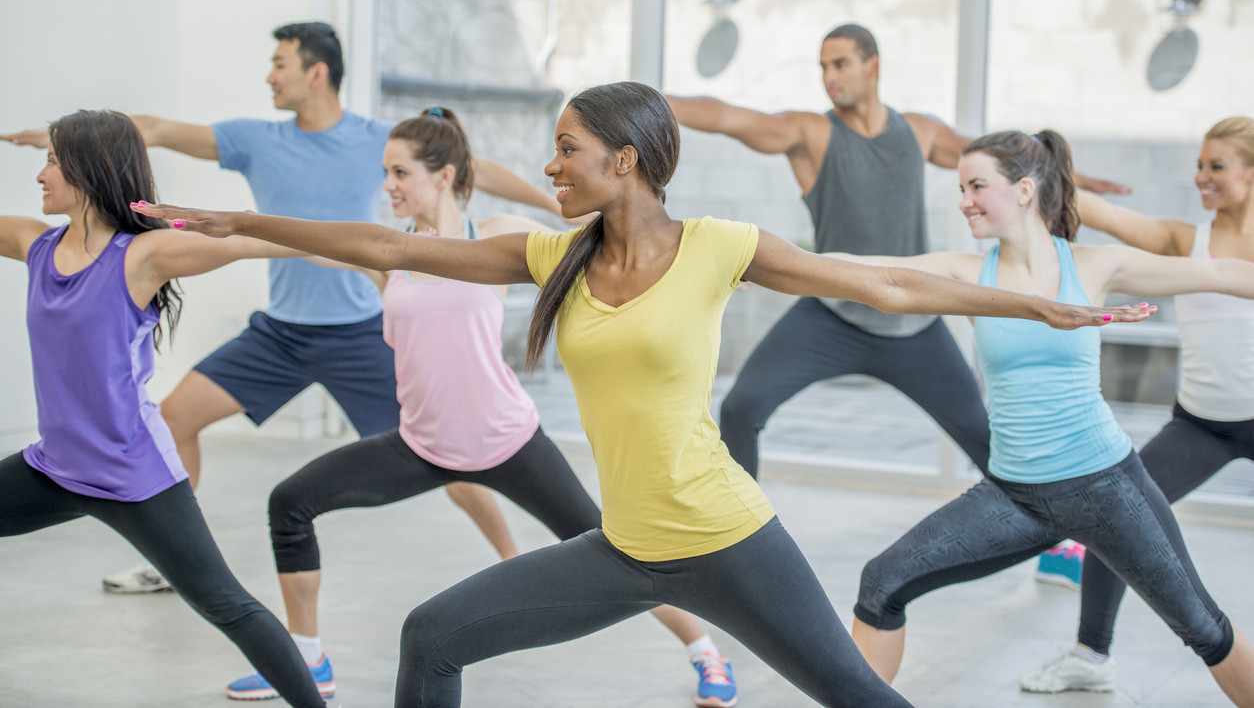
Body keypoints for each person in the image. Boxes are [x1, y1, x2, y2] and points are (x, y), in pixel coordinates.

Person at [134, 82, 1149, 708]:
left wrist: (1033, 309)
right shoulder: (555, 253)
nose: (547, 166)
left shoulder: (720, 248)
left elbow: (882, 283)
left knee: (852, 691)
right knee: (432, 637)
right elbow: (397, 244)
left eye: (567, 149)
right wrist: (246, 226)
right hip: (629, 547)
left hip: (729, 540)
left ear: (624, 161)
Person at [2, 21, 569, 594]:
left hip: (359, 333)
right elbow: (152, 129)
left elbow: (472, 166)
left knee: (447, 445)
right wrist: (64, 146)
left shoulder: (377, 138)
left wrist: (551, 203)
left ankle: (505, 554)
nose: (269, 75)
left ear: (315, 73)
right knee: (176, 418)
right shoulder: (257, 139)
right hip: (281, 335)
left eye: (280, 64)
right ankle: (175, 561)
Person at [223, 108, 739, 707]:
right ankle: (307, 657)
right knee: (290, 502)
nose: (387, 185)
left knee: (621, 550)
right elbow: (288, 239)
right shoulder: (384, 252)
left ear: (444, 177)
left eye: (400, 172)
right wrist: (208, 227)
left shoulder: (494, 233)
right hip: (422, 446)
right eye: (384, 172)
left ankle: (706, 651)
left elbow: (594, 235)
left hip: (508, 442)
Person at [836, 129, 1254, 706]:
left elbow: (1223, 275)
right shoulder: (965, 273)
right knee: (882, 585)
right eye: (960, 187)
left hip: (1108, 488)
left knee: (1205, 629)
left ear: (1026, 189)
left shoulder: (1095, 265)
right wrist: (756, 254)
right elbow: (872, 270)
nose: (964, 201)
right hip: (1013, 496)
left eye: (977, 185)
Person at [667, 23, 1129, 480]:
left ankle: (1047, 519)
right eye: (823, 66)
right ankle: (739, 527)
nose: (830, 76)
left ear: (873, 66)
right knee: (741, 408)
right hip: (831, 316)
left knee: (987, 440)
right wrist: (651, 101)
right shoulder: (812, 133)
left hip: (915, 324)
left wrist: (1077, 179)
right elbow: (728, 117)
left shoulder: (919, 133)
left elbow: (1009, 165)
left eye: (841, 63)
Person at [0, 111, 326, 708]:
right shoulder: (35, 244)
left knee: (225, 604)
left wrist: (380, 254)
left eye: (50, 160)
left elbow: (258, 240)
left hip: (135, 477)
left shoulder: (143, 255)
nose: (41, 175)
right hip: (54, 468)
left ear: (85, 170)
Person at [1021, 115, 1254, 694]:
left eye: (1216, 166)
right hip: (1203, 425)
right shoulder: (1185, 239)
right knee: (1114, 512)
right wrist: (1038, 165)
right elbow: (1104, 213)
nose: (1201, 176)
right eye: (1199, 164)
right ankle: (1090, 655)